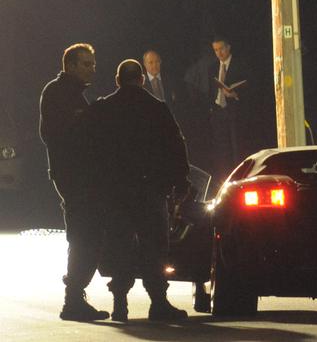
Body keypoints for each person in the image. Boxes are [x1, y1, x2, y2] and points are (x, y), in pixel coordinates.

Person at [90, 59, 190, 322]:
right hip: (150, 189)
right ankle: (158, 301)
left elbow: (90, 150)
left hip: (115, 191)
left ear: (118, 80)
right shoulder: (157, 108)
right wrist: (180, 181)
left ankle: (120, 303)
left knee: (119, 244)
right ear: (142, 80)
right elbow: (176, 146)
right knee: (154, 246)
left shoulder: (103, 108)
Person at [39, 43, 109, 321]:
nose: (92, 68)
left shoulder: (73, 94)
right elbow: (54, 134)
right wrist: (88, 120)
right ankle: (73, 300)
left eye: (93, 63)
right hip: (73, 176)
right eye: (87, 64)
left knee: (87, 234)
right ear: (71, 66)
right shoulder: (57, 92)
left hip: (80, 175)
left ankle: (75, 297)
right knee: (83, 235)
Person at [184, 35, 249, 185]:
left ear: (228, 47)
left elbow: (249, 87)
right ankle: (224, 181)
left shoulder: (239, 64)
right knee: (222, 150)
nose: (219, 53)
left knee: (236, 147)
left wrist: (235, 94)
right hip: (218, 111)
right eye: (215, 50)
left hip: (235, 112)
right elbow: (210, 90)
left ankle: (240, 180)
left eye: (221, 49)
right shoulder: (213, 67)